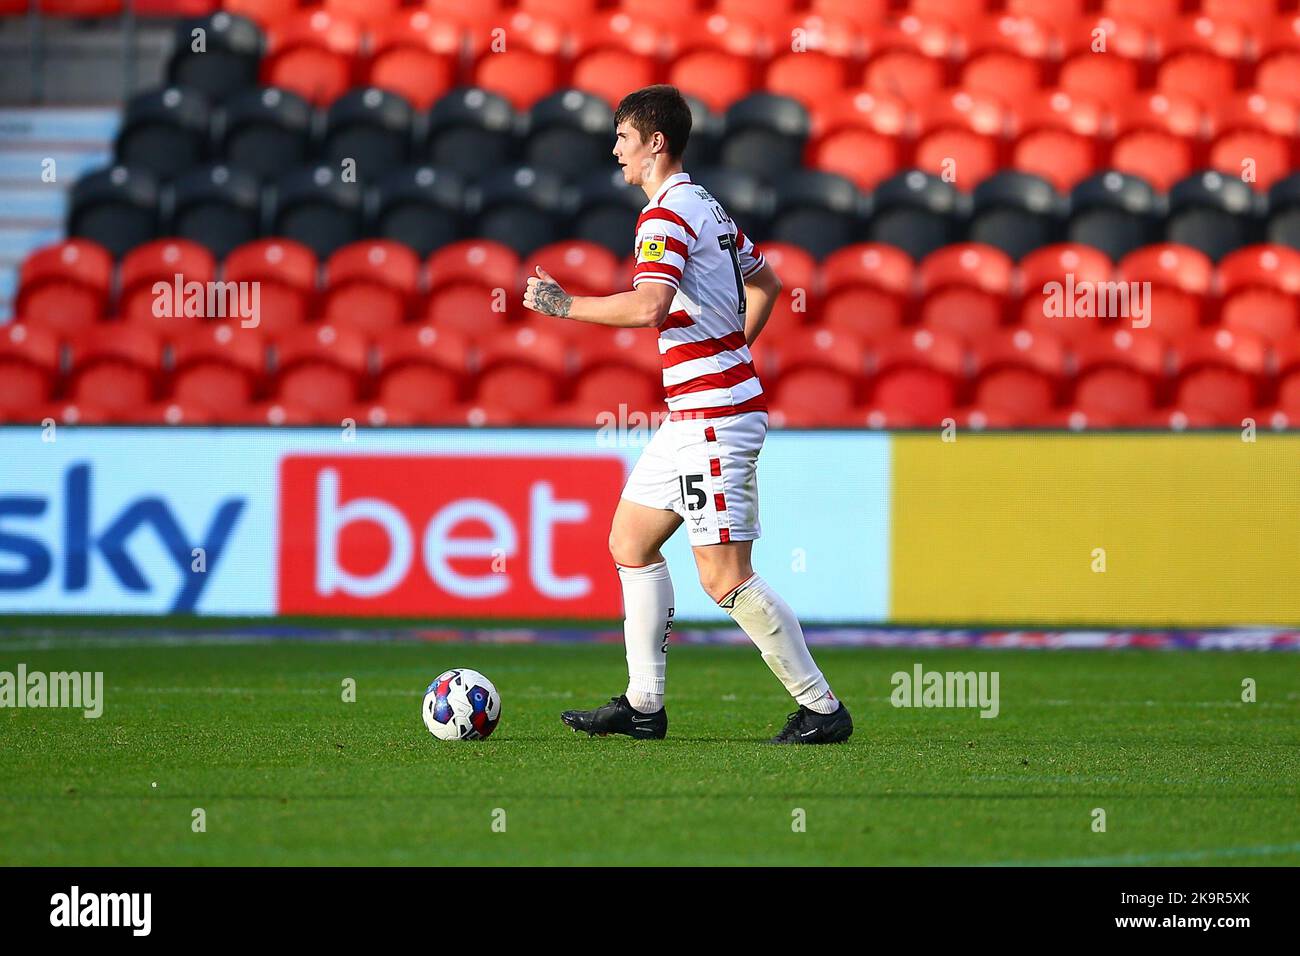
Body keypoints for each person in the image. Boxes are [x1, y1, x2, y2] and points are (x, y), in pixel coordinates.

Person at [522, 85, 851, 744]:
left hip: (712, 418)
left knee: (724, 577)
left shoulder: (666, 216)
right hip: (694, 414)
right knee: (630, 541)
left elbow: (649, 306)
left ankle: (822, 709)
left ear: (655, 143)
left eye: (622, 138)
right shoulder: (709, 208)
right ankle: (644, 705)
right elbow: (767, 283)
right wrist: (729, 350)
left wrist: (565, 306)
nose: (615, 150)